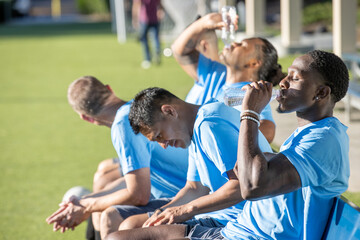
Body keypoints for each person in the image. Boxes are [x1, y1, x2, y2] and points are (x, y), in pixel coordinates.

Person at [106, 50, 350, 239]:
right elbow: (223, 181)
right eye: (286, 75)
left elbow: (250, 186)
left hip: (250, 234)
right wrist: (169, 211)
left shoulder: (323, 139)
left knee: (122, 236)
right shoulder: (308, 134)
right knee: (122, 234)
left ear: (321, 93)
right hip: (241, 229)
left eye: (294, 78)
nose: (283, 83)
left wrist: (250, 114)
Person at [105, 86, 273, 239]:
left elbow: (242, 186)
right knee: (134, 227)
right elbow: (195, 188)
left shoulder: (209, 124)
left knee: (119, 238)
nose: (163, 145)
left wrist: (185, 210)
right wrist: (162, 213)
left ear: (170, 111)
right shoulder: (196, 128)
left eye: (159, 136)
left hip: (247, 224)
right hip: (228, 218)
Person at [46, 76, 188, 240]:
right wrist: (84, 201)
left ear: (86, 117)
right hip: (186, 190)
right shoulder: (135, 109)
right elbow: (136, 182)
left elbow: (138, 195)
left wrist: (87, 206)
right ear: (109, 89)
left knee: (110, 216)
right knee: (103, 197)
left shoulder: (123, 124)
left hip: (185, 197)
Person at [173, 13, 284, 143]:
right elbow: (180, 51)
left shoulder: (252, 92)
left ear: (254, 63)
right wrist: (203, 23)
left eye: (242, 45)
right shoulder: (216, 74)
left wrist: (223, 138)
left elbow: (268, 130)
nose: (235, 43)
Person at [132, 0, 163, 69]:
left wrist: (135, 19)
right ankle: (157, 53)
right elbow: (160, 5)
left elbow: (136, 5)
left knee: (144, 40)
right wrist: (160, 12)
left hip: (144, 19)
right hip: (155, 18)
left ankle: (147, 59)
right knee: (155, 38)